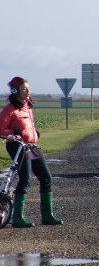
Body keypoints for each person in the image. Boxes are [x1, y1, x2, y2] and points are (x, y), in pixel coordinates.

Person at [0, 77, 63, 228]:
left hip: (31, 146)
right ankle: (17, 218)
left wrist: (34, 133)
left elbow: (27, 126)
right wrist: (14, 134)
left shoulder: (28, 106)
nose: (27, 91)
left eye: (28, 88)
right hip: (17, 146)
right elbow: (1, 129)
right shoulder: (10, 109)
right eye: (23, 89)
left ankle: (47, 216)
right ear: (16, 91)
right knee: (25, 179)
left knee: (46, 177)